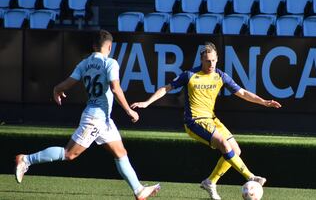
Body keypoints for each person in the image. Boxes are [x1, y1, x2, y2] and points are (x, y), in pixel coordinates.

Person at [15, 29, 160, 200]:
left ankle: (138, 190)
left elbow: (67, 84)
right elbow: (115, 88)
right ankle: (26, 159)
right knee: (69, 154)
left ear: (93, 46)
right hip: (95, 119)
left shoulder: (84, 63)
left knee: (120, 153)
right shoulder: (110, 63)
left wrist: (56, 89)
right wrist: (129, 110)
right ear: (110, 46)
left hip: (103, 119)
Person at [131, 42, 281, 200]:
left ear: (217, 59)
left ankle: (210, 181)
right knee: (223, 143)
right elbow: (166, 88)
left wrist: (263, 101)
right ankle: (251, 176)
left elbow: (242, 93)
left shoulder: (220, 76)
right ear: (201, 60)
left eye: (214, 60)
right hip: (194, 121)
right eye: (207, 61)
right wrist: (147, 102)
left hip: (211, 119)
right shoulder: (190, 75)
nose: (211, 64)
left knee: (235, 151)